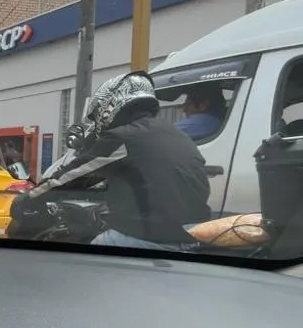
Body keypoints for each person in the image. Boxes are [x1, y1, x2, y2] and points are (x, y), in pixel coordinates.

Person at [20, 70, 212, 251]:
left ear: (110, 105)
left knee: (76, 258)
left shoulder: (123, 137)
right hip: (193, 237)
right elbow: (147, 180)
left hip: (151, 239)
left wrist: (28, 199)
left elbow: (69, 176)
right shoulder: (176, 134)